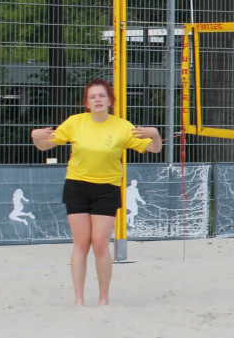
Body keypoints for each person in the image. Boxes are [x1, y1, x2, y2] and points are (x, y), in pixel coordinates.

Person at [30, 79, 162, 306]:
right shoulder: (75, 123)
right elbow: (45, 145)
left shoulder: (121, 126)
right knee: (81, 243)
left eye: (102, 96)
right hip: (77, 185)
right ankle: (79, 300)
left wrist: (155, 134)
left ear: (110, 100)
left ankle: (103, 299)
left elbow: (154, 148)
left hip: (107, 188)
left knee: (100, 244)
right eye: (92, 97)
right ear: (87, 103)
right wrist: (35, 136)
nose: (97, 100)